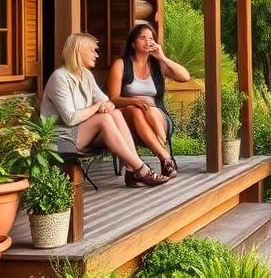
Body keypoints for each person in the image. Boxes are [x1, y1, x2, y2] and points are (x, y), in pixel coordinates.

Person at [40, 32, 169, 187]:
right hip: (61, 138)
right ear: (79, 51)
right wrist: (97, 107)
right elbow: (71, 118)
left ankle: (131, 169)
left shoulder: (85, 75)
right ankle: (141, 169)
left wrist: (108, 105)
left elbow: (105, 100)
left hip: (80, 132)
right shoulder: (60, 78)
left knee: (113, 112)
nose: (96, 55)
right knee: (104, 118)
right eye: (93, 51)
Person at [105, 23, 190, 179]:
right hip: (130, 117)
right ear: (133, 43)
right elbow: (113, 99)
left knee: (149, 110)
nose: (148, 41)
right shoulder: (121, 64)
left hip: (158, 117)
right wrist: (134, 101)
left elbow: (185, 77)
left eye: (151, 38)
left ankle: (161, 155)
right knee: (135, 109)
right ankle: (165, 157)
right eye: (142, 38)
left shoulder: (157, 64)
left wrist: (162, 57)